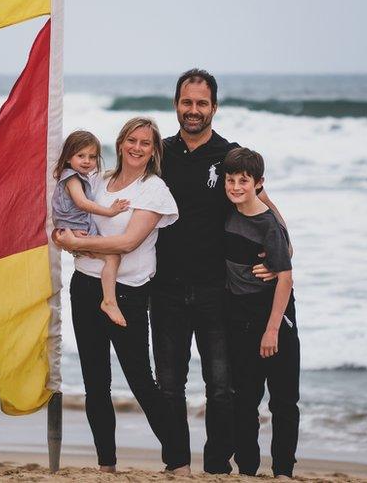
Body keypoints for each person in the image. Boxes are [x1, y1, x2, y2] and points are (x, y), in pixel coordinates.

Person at [150, 68, 288, 474]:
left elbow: (259, 201)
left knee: (222, 389)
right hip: (166, 289)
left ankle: (215, 468)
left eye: (201, 103)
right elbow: (123, 188)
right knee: (170, 387)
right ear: (176, 104)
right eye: (187, 102)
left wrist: (282, 246)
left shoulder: (229, 155)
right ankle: (177, 465)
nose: (193, 110)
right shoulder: (161, 153)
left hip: (216, 290)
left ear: (214, 107)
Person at [52, 117, 188, 473]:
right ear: (121, 142)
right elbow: (69, 219)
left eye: (146, 142)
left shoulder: (154, 190)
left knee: (142, 381)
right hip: (84, 287)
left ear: (154, 150)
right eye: (132, 139)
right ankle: (106, 467)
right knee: (96, 385)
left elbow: (129, 242)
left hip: (127, 293)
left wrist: (80, 244)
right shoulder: (98, 180)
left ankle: (178, 463)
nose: (137, 147)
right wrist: (67, 241)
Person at [221, 147, 299, 478]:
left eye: (244, 181)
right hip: (239, 318)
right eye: (230, 180)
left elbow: (285, 277)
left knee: (283, 401)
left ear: (259, 184)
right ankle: (247, 470)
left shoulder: (269, 226)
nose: (236, 187)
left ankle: (283, 471)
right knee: (244, 400)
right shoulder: (227, 213)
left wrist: (272, 330)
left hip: (275, 317)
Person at [50, 130, 130, 327]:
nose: (87, 161)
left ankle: (108, 299)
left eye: (92, 157)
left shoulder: (80, 176)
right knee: (113, 257)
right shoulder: (72, 178)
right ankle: (109, 301)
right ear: (68, 157)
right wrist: (110, 211)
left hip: (76, 228)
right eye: (81, 156)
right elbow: (82, 203)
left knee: (108, 256)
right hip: (76, 229)